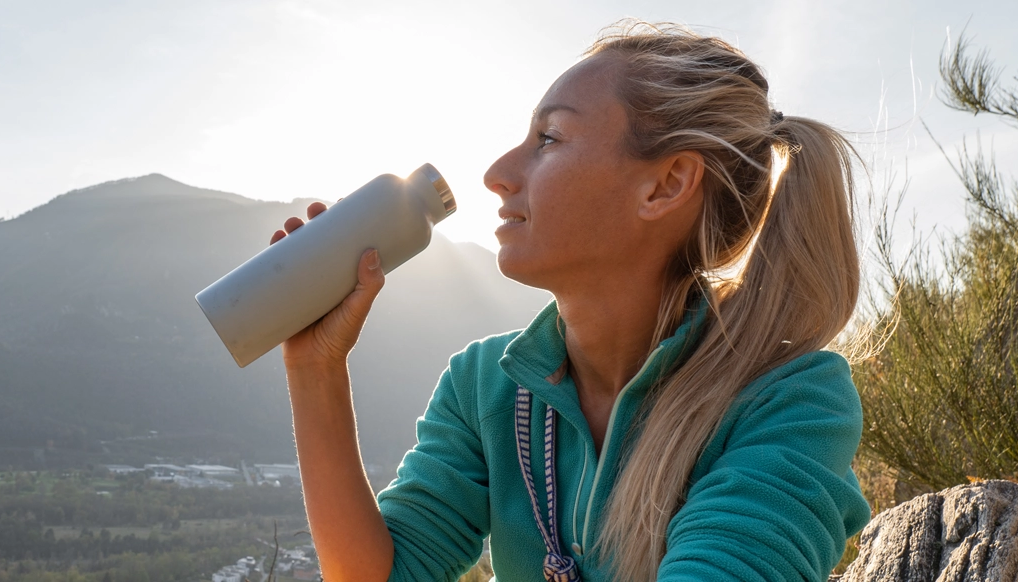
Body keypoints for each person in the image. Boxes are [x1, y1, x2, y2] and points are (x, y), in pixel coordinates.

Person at [268, 21, 872, 582]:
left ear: (665, 185)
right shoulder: (485, 386)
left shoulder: (790, 402)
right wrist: (315, 368)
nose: (497, 173)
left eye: (548, 138)